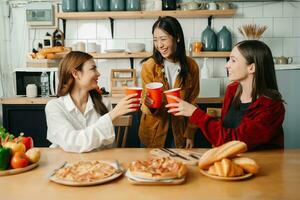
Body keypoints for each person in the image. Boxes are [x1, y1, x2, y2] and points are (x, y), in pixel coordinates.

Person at [166, 40, 285, 151]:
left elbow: (235, 142)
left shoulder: (271, 107)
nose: (226, 65)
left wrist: (195, 113)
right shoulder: (232, 91)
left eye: (233, 60)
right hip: (233, 162)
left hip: (264, 167)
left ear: (252, 67)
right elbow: (223, 133)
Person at [45, 51, 139, 153]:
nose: (98, 73)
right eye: (93, 69)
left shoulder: (104, 103)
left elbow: (108, 147)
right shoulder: (54, 107)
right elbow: (73, 143)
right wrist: (112, 115)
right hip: (64, 165)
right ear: (76, 74)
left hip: (97, 165)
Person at [138, 16, 200, 148]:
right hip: (152, 133)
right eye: (155, 40)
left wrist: (190, 133)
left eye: (163, 39)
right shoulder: (149, 66)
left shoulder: (191, 66)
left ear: (177, 37)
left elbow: (193, 102)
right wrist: (149, 105)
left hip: (180, 132)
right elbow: (144, 103)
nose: (159, 45)